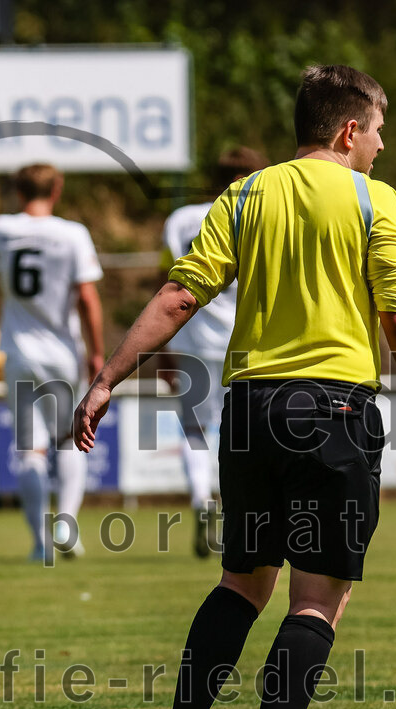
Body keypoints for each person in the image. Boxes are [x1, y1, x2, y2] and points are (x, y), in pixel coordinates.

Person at [74, 65, 396, 709]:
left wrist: (106, 379)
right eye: (377, 131)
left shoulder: (244, 195)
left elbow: (180, 294)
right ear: (349, 131)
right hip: (332, 413)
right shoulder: (373, 201)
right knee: (317, 598)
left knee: (242, 581)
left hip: (248, 412)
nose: (380, 145)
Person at [155, 147, 269, 558]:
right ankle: (237, 511)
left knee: (193, 429)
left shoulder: (181, 219)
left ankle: (203, 502)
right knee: (241, 432)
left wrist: (163, 352)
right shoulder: (262, 215)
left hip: (189, 339)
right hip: (245, 341)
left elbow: (166, 286)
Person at [0, 164, 104, 561]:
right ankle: (66, 526)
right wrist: (97, 351)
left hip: (19, 352)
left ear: (19, 191)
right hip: (62, 352)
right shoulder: (73, 234)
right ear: (57, 189)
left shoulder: (2, 228)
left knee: (30, 450)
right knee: (71, 440)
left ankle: (40, 544)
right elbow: (87, 298)